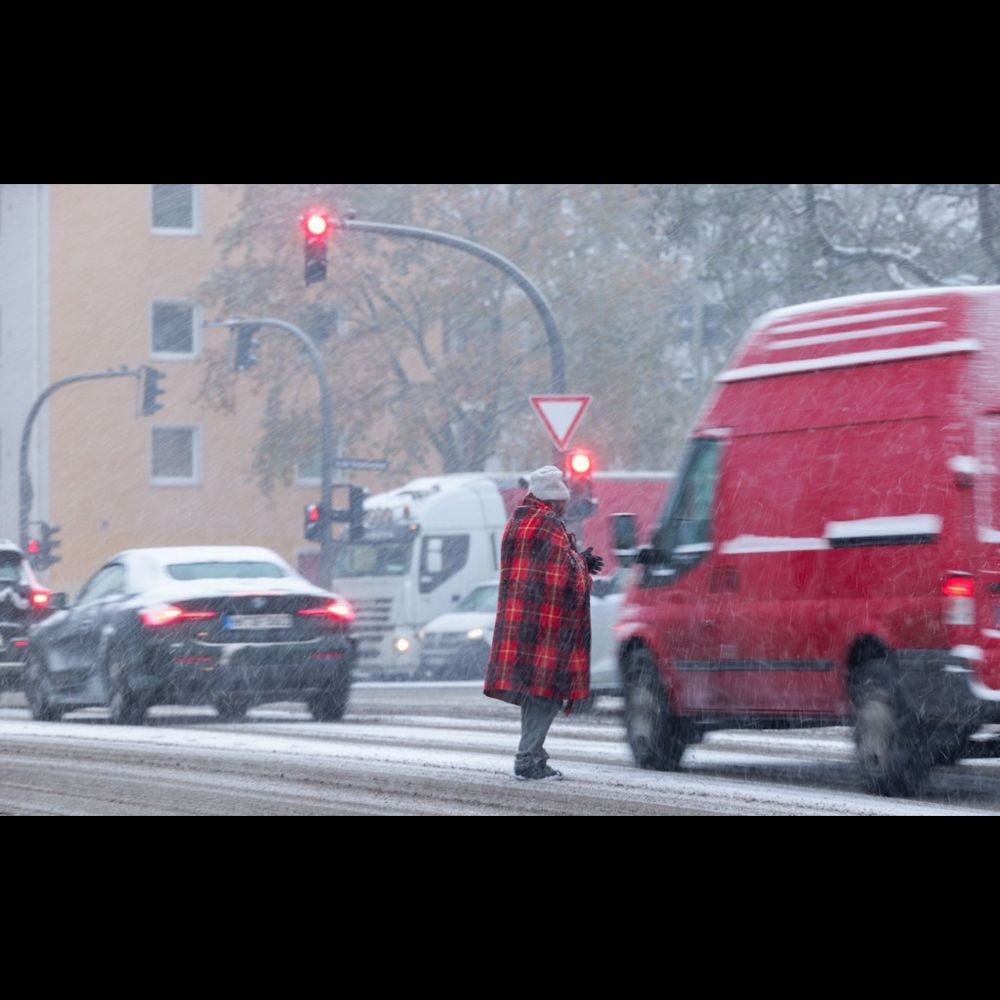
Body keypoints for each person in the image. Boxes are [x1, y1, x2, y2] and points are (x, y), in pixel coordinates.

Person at [484, 464, 604, 780]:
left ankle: (533, 755)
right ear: (553, 499)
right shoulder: (548, 524)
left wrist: (577, 557)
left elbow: (541, 567)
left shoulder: (517, 522)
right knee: (545, 692)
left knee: (534, 691)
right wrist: (584, 563)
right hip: (545, 622)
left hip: (518, 620)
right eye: (563, 499)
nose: (566, 505)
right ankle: (527, 758)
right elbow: (564, 576)